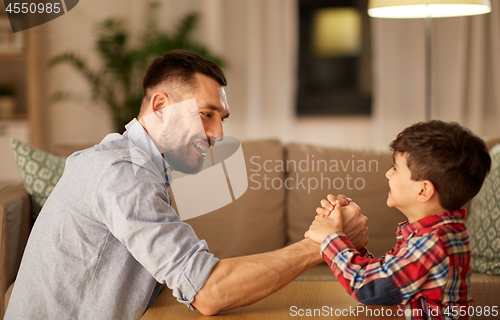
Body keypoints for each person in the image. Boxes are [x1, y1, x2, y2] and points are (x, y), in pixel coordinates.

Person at [5, 50, 368, 319]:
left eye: (222, 119)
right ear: (160, 105)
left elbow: (185, 277)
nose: (218, 134)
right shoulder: (122, 173)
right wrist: (322, 244)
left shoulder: (139, 166)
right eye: (206, 114)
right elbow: (207, 291)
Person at [306, 121, 491, 320]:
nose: (387, 173)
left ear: (423, 190)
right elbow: (388, 279)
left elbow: (369, 289)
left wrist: (330, 238)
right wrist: (349, 244)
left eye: (395, 168)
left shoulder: (433, 244)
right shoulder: (434, 233)